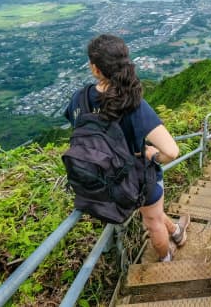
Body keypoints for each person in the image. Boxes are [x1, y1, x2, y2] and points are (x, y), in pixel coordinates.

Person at [64, 34, 190, 262]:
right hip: (138, 180)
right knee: (153, 222)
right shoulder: (133, 104)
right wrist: (152, 155)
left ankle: (177, 232)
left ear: (95, 69)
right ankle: (165, 259)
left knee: (155, 216)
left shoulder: (79, 100)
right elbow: (171, 151)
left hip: (104, 184)